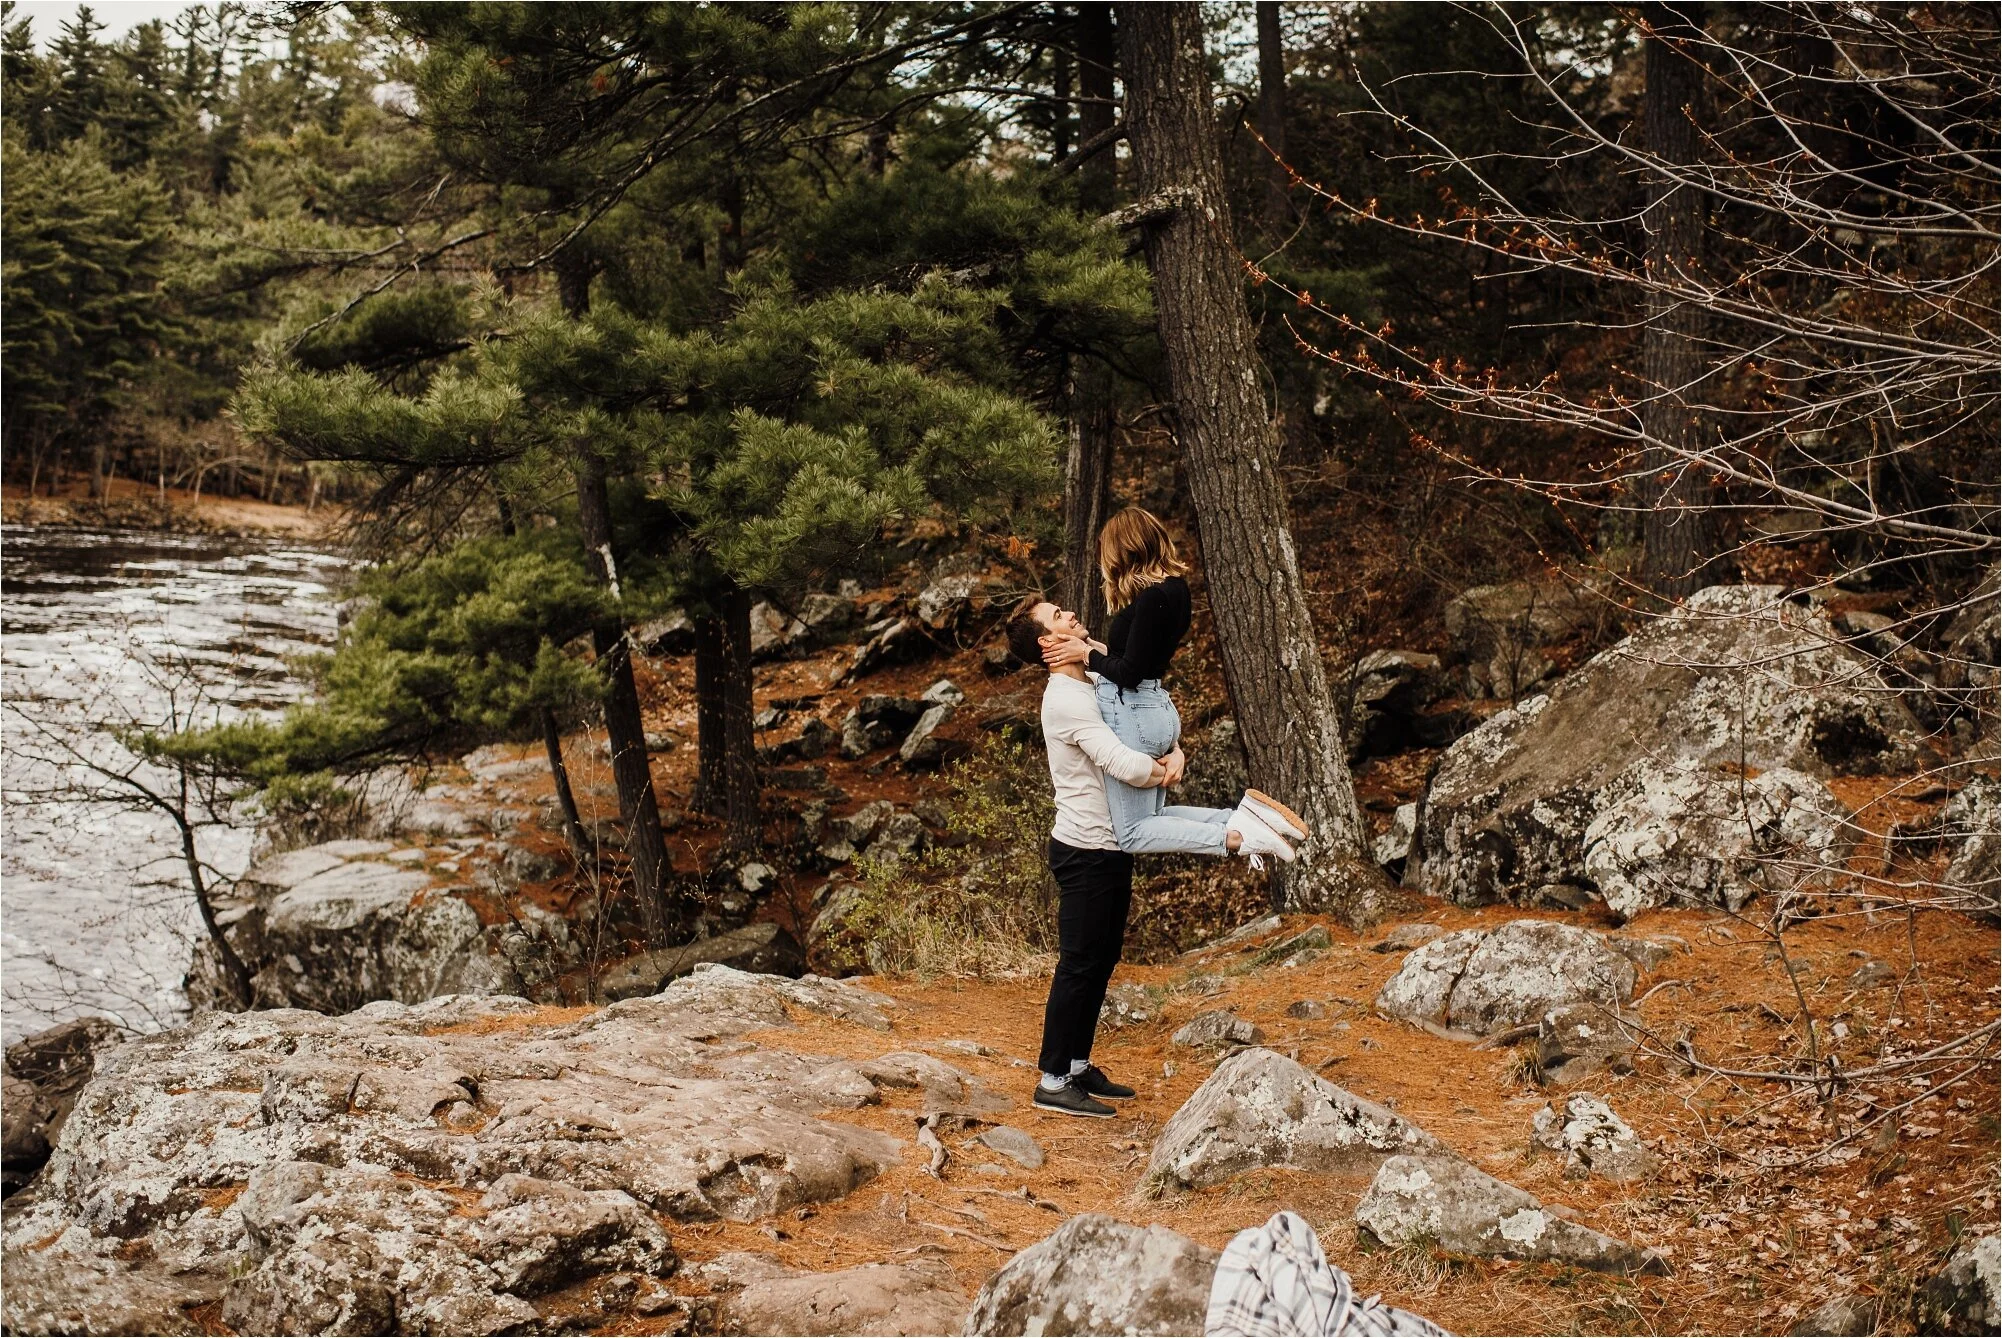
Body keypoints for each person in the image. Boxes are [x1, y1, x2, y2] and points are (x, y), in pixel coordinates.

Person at [1004, 597, 1297, 1119]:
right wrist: (1163, 771)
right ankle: (1052, 1079)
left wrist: (1176, 751)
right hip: (1084, 850)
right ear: (1048, 644)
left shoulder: (1093, 680)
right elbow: (1121, 762)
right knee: (1078, 965)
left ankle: (1075, 1064)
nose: (1072, 614)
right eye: (1058, 617)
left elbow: (1141, 713)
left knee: (1102, 961)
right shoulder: (1064, 700)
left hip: (1112, 844)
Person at [1042, 506, 1311, 860]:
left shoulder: (1151, 598)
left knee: (1134, 833)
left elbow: (1129, 672)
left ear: (1127, 548)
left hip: (1134, 712)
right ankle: (1243, 819)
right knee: (1153, 819)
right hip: (1153, 708)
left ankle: (1239, 839)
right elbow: (1135, 656)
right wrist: (1090, 648)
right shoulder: (1175, 590)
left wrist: (1087, 655)